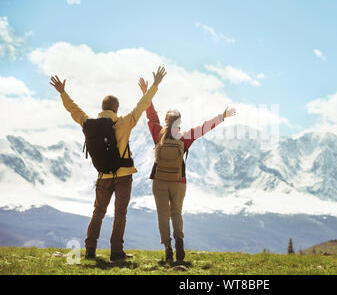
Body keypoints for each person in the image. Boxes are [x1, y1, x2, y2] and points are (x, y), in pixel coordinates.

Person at [49, 66, 167, 261]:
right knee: (120, 214)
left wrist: (62, 92)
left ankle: (90, 250)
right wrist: (154, 85)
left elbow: (74, 110)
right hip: (123, 176)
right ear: (116, 109)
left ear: (102, 108)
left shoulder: (89, 123)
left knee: (98, 212)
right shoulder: (125, 122)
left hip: (103, 176)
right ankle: (116, 252)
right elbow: (143, 104)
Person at [140, 79, 236, 263]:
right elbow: (203, 128)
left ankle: (167, 248)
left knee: (162, 214)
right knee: (176, 212)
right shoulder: (184, 138)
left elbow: (151, 116)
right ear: (179, 122)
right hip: (179, 182)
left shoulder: (158, 134)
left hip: (159, 181)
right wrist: (221, 117)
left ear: (166, 121)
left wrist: (146, 93)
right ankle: (180, 242)